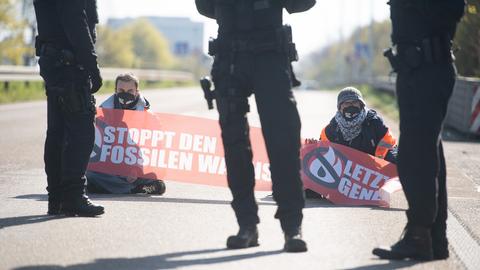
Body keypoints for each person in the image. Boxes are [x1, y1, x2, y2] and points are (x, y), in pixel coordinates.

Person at [195, 0, 316, 252]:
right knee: (235, 145)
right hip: (229, 57)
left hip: (270, 55)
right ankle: (247, 225)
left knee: (282, 141)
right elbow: (204, 6)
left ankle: (292, 227)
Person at [372, 0, 466, 261]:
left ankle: (418, 235)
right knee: (428, 154)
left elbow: (452, 10)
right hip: (416, 68)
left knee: (415, 155)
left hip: (427, 67)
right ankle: (434, 239)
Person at [34, 0, 104, 216]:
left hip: (54, 60)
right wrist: (92, 66)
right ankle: (73, 197)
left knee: (58, 132)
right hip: (69, 64)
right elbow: (75, 20)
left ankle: (57, 198)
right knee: (81, 132)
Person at [305, 87, 397, 198]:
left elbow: (388, 140)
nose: (351, 106)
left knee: (396, 157)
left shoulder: (374, 121)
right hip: (348, 171)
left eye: (354, 102)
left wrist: (378, 160)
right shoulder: (331, 128)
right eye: (346, 103)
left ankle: (396, 189)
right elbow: (325, 152)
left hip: (374, 166)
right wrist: (314, 147)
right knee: (311, 159)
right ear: (340, 107)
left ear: (361, 104)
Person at [86, 73, 166, 195]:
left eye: (130, 91)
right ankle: (133, 188)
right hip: (110, 166)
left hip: (135, 166)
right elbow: (96, 144)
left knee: (157, 179)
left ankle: (109, 187)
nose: (125, 94)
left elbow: (153, 147)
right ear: (115, 90)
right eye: (121, 90)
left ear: (137, 91)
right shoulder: (102, 112)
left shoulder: (149, 117)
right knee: (89, 173)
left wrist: (135, 169)